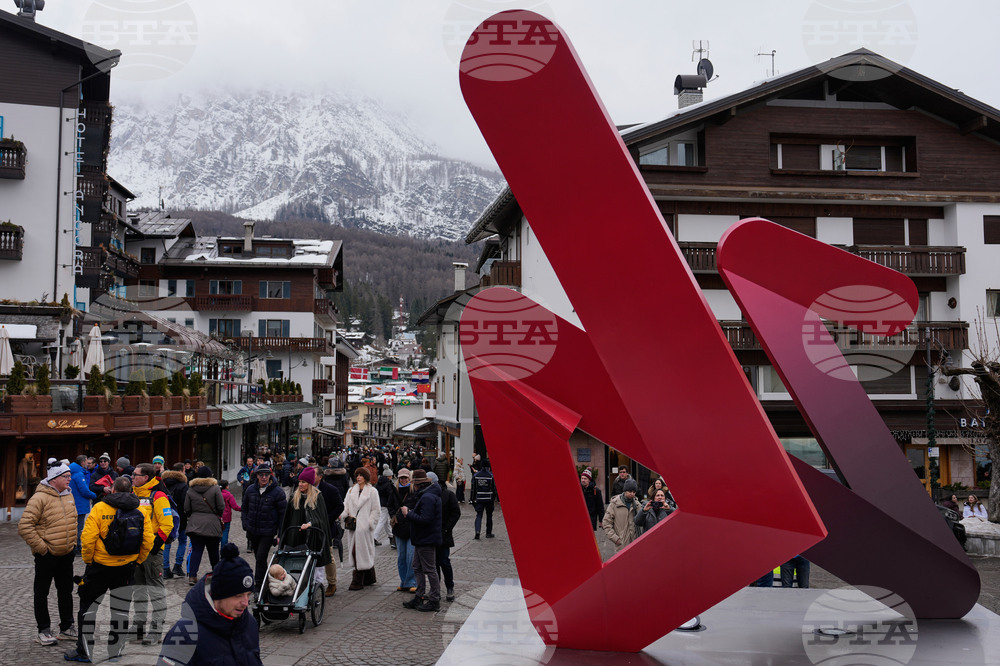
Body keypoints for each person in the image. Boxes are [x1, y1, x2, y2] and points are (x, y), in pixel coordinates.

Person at [65, 476, 155, 662]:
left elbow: (88, 539)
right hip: (126, 567)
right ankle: (115, 652)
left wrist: (89, 561)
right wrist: (137, 560)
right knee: (120, 610)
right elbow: (148, 540)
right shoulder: (140, 509)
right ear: (131, 491)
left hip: (100, 567)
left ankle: (85, 651)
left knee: (88, 609)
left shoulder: (100, 508)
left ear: (112, 490)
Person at [157, 544, 262, 666]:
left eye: (248, 594)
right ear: (219, 594)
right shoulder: (184, 635)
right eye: (237, 596)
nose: (245, 603)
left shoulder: (250, 624)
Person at [18, 463, 77, 648]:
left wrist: (72, 545)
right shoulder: (40, 497)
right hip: (47, 555)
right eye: (66, 476)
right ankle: (43, 630)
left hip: (66, 554)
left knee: (66, 591)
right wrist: (43, 549)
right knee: (41, 593)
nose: (69, 479)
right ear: (55, 479)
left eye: (70, 476)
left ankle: (67, 627)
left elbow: (74, 520)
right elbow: (25, 526)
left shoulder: (69, 495)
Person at [130, 463, 175, 646]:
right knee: (138, 591)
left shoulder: (158, 496)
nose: (132, 477)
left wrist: (155, 547)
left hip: (152, 553)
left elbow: (167, 524)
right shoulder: (133, 495)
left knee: (156, 592)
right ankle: (138, 628)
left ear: (146, 477)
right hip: (135, 552)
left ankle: (156, 630)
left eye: (136, 474)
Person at [280, 466, 333, 591]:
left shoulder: (317, 497)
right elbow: (288, 519)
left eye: (303, 482)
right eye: (299, 481)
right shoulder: (294, 497)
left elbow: (321, 519)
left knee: (316, 566)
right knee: (298, 564)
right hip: (297, 537)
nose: (300, 484)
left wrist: (310, 524)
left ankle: (315, 589)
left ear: (309, 483)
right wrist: (283, 537)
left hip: (314, 537)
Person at [400, 469, 442, 612]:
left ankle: (435, 599)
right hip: (422, 538)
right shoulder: (426, 495)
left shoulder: (427, 497)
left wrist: (409, 513)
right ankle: (419, 596)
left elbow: (426, 519)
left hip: (426, 538)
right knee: (417, 566)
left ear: (418, 484)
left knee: (430, 569)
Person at [241, 464, 287, 593]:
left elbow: (283, 514)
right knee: (258, 558)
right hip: (253, 530)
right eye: (261, 475)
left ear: (270, 476)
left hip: (267, 531)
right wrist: (245, 523)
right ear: (257, 476)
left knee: (261, 557)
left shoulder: (277, 492)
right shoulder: (250, 490)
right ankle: (265, 582)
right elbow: (244, 508)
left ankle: (259, 587)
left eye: (266, 475)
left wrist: (280, 534)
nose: (264, 477)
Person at [184, 466, 225, 585]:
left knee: (196, 550)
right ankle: (216, 574)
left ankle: (192, 576)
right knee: (213, 551)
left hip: (195, 524)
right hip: (212, 524)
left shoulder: (191, 489)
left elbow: (186, 508)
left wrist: (194, 516)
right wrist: (217, 514)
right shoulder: (215, 488)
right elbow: (221, 506)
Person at [342, 467, 381, 591]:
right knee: (358, 551)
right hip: (353, 527)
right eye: (357, 475)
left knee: (360, 551)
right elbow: (346, 506)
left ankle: (357, 581)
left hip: (364, 527)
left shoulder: (372, 491)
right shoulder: (351, 490)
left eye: (361, 475)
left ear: (366, 477)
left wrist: (370, 523)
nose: (358, 477)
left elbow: (376, 510)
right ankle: (369, 577)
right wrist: (343, 515)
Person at [431, 471, 461, 602]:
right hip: (430, 535)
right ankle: (435, 589)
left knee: (444, 562)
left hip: (444, 534)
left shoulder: (448, 494)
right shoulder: (427, 494)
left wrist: (447, 528)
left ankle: (450, 587)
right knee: (433, 564)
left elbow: (456, 512)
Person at [315, 467, 344, 596]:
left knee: (329, 555)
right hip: (311, 528)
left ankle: (332, 583)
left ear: (320, 476)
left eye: (313, 474)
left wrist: (328, 519)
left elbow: (340, 506)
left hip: (326, 527)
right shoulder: (307, 488)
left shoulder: (330, 489)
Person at [389, 467, 418, 589]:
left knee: (410, 557)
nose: (404, 480)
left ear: (409, 478)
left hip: (411, 528)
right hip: (399, 528)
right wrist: (394, 515)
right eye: (401, 478)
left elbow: (418, 507)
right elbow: (389, 505)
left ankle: (411, 582)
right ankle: (404, 581)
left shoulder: (414, 492)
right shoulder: (394, 491)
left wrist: (410, 512)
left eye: (406, 477)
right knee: (401, 557)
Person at [161, 464, 190, 580]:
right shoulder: (183, 486)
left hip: (166, 516)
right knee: (182, 541)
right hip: (180, 518)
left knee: (167, 543)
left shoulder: (163, 484)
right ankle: (177, 566)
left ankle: (165, 569)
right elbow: (185, 504)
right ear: (182, 471)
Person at [69, 455, 98, 554]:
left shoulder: (72, 471)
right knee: (79, 527)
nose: (87, 463)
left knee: (74, 526)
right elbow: (84, 490)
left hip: (74, 503)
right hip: (80, 505)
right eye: (86, 461)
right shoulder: (79, 474)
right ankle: (77, 547)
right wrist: (94, 495)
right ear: (82, 462)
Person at [603, 479, 640, 552]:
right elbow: (606, 523)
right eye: (630, 491)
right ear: (625, 491)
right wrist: (616, 539)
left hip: (635, 543)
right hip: (622, 544)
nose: (632, 494)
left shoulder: (638, 505)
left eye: (634, 492)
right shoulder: (614, 504)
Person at [472, 459, 496, 539]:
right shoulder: (491, 476)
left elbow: (473, 489)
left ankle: (477, 532)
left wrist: (472, 499)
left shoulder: (476, 475)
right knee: (489, 516)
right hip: (489, 498)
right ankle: (488, 533)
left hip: (479, 498)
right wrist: (494, 498)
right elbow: (494, 488)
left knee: (479, 515)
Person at [374, 468, 394, 546]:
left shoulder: (379, 483)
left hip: (380, 503)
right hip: (386, 504)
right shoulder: (388, 484)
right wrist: (390, 504)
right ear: (388, 476)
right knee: (382, 521)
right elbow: (390, 495)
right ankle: (374, 537)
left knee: (385, 522)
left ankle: (390, 535)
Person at [220, 479, 241, 546]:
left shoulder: (216, 494)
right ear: (226, 486)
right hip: (226, 517)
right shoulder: (228, 495)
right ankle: (223, 550)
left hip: (217, 516)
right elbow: (234, 506)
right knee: (225, 533)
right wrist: (242, 509)